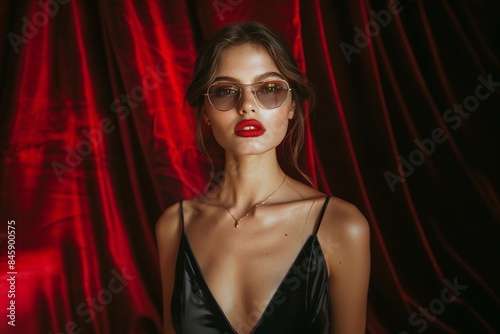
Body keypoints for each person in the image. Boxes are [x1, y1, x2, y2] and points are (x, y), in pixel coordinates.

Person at [156, 21, 370, 334]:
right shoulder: (175, 226)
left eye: (269, 89)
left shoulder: (341, 225)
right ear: (205, 111)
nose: (247, 107)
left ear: (292, 105)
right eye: (226, 91)